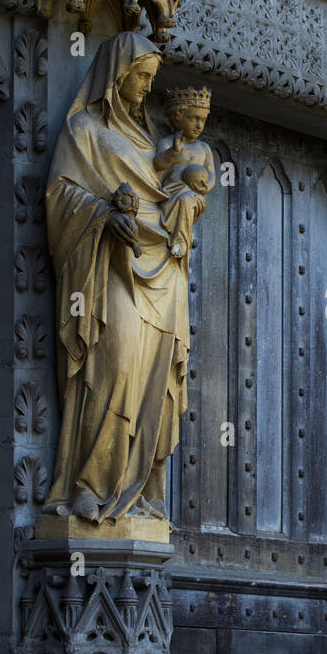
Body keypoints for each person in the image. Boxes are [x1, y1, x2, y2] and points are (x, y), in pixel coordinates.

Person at [43, 34, 205, 525]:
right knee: (115, 363)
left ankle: (143, 490)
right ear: (118, 72)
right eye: (142, 76)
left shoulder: (149, 141)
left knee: (157, 383)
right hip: (114, 263)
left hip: (166, 273)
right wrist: (100, 215)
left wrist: (190, 204)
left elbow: (179, 190)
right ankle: (88, 484)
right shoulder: (84, 131)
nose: (148, 87)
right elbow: (58, 196)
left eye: (153, 79)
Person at [154, 87, 216, 262]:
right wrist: (173, 152)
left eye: (202, 120)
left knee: (187, 200)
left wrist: (206, 186)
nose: (198, 125)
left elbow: (211, 174)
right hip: (171, 193)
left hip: (194, 196)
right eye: (192, 118)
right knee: (183, 199)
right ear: (177, 117)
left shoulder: (204, 148)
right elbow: (158, 165)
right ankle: (178, 240)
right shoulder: (167, 143)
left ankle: (181, 241)